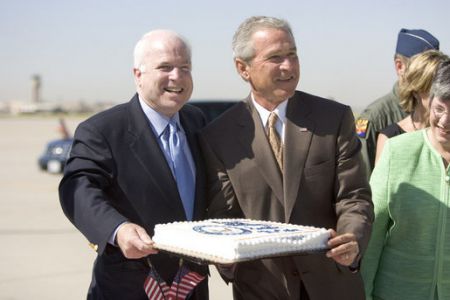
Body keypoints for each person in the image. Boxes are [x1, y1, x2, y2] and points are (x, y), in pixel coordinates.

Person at [199, 16, 373, 299]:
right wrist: (226, 260)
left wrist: (352, 238)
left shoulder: (333, 119)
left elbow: (353, 197)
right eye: (275, 58)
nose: (289, 66)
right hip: (261, 288)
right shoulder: (219, 136)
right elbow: (224, 216)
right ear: (243, 68)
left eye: (292, 54)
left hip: (331, 283)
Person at [58, 30, 209, 300]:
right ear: (138, 75)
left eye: (184, 67)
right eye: (165, 67)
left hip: (192, 286)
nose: (177, 76)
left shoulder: (197, 122)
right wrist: (117, 229)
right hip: (129, 287)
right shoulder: (103, 130)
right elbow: (79, 187)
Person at [361, 60, 450, 300]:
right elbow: (373, 232)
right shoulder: (397, 151)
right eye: (440, 108)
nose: (444, 121)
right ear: (429, 100)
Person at [356, 28, 439, 176]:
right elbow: (363, 183)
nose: (430, 75)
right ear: (400, 66)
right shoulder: (374, 118)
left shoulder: (440, 114)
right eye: (422, 68)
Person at [375, 50, 449, 163]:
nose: (440, 94)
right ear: (416, 90)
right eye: (433, 88)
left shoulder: (445, 133)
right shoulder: (391, 138)